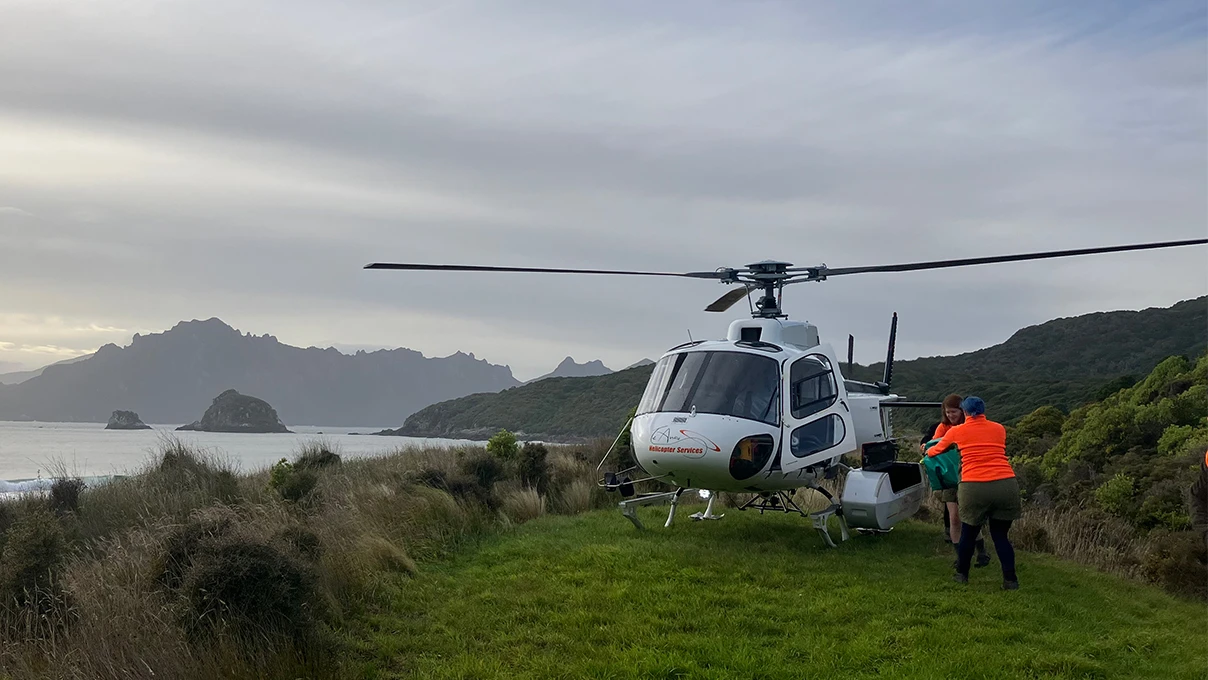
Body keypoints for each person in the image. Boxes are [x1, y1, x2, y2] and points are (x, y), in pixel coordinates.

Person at [926, 396, 1021, 590]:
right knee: (1001, 536)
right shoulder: (999, 428)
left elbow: (935, 451)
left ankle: (962, 574)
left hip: (974, 485)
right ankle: (1010, 581)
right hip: (1006, 484)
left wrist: (927, 451)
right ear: (983, 410)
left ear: (965, 412)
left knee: (968, 534)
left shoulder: (957, 431)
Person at [921, 394, 989, 568]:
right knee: (955, 517)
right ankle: (961, 556)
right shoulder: (943, 427)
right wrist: (927, 447)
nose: (951, 415)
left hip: (968, 476)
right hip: (949, 478)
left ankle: (981, 551)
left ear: (963, 411)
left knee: (970, 516)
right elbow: (934, 447)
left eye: (954, 411)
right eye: (948, 412)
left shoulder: (967, 427)